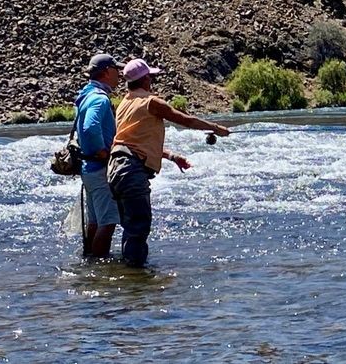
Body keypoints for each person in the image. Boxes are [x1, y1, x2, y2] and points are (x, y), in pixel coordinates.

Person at [107, 58, 230, 268]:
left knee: (131, 227)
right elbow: (186, 119)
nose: (152, 81)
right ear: (145, 79)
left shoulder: (124, 104)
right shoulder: (151, 102)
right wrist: (216, 128)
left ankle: (129, 278)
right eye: (151, 77)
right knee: (139, 227)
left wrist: (172, 156)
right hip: (131, 171)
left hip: (116, 168)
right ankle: (136, 280)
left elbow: (133, 142)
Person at [75, 53, 125, 258]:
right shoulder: (100, 99)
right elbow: (89, 128)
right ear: (106, 72)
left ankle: (89, 261)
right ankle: (99, 270)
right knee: (109, 222)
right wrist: (103, 152)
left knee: (95, 221)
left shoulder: (85, 95)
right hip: (100, 168)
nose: (119, 75)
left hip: (88, 170)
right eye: (116, 70)